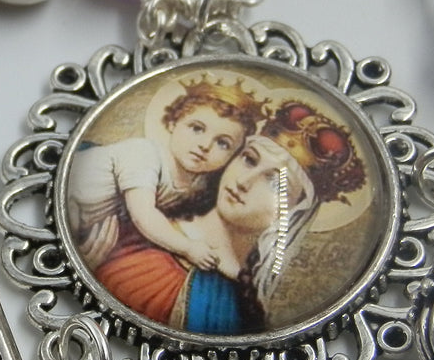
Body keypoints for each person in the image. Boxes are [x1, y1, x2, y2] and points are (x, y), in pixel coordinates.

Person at [94, 99, 367, 336]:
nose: (244, 182)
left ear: (295, 214)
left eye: (274, 183)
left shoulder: (233, 306)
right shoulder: (135, 220)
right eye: (249, 160)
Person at [65, 78, 265, 272]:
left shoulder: (201, 183)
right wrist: (188, 248)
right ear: (173, 123)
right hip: (70, 198)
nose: (205, 145)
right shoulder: (143, 153)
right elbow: (144, 215)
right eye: (197, 128)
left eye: (223, 143)